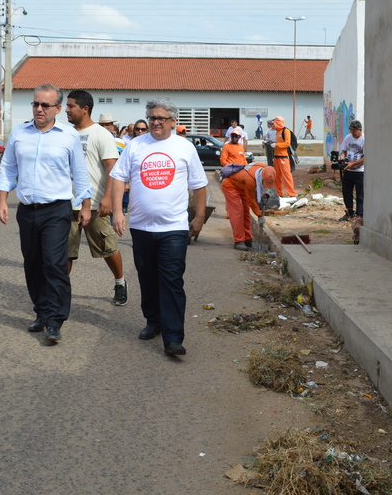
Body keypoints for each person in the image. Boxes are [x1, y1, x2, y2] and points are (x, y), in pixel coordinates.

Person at [109, 99, 208, 357]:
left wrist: (198, 218)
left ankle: (173, 338)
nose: (155, 122)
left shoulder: (184, 148)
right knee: (147, 277)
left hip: (174, 228)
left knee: (172, 281)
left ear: (173, 121)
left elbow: (199, 184)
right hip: (141, 227)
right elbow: (118, 178)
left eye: (161, 118)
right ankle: (153, 321)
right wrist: (119, 212)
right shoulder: (135, 146)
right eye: (152, 117)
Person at [0, 84, 92, 344]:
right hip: (27, 210)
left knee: (54, 263)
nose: (39, 109)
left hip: (57, 210)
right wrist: (2, 200)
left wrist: (85, 205)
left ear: (58, 109)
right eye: (35, 104)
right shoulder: (19, 133)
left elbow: (80, 173)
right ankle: (41, 311)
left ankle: (55, 320)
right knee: (33, 263)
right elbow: (7, 169)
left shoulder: (68, 136)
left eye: (45, 105)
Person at [64, 90, 128, 305]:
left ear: (85, 109)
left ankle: (120, 282)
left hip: (95, 204)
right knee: (67, 252)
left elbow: (113, 168)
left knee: (107, 247)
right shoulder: (66, 133)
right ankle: (61, 292)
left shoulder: (101, 134)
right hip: (68, 203)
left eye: (71, 106)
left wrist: (108, 198)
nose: (66, 110)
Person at [222, 162, 276, 250]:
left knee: (246, 212)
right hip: (230, 186)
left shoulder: (265, 169)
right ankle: (239, 240)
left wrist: (265, 193)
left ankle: (248, 239)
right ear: (262, 177)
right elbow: (251, 201)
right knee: (238, 212)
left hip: (242, 187)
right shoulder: (250, 179)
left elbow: (261, 187)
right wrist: (259, 215)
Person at [339, 120, 364, 221]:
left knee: (360, 194)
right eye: (351, 131)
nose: (353, 133)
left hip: (360, 171)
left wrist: (353, 164)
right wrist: (342, 157)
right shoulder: (348, 137)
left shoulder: (364, 140)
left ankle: (360, 214)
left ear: (360, 130)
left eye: (355, 131)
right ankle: (349, 212)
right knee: (346, 192)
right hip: (348, 170)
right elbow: (344, 150)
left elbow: (366, 157)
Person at [271, 116, 296, 197]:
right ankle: (279, 193)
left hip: (283, 157)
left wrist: (277, 145)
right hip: (276, 157)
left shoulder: (286, 131)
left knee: (287, 176)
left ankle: (291, 193)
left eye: (274, 123)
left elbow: (287, 143)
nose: (273, 125)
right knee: (277, 176)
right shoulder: (278, 132)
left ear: (278, 123)